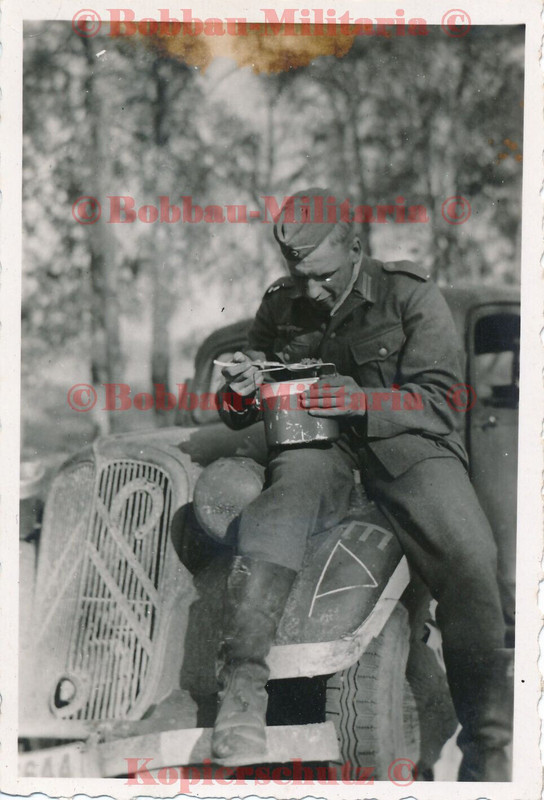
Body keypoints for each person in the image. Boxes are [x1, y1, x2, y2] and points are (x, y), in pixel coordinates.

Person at [212, 188, 513, 781]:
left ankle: (489, 749)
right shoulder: (281, 304)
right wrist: (240, 391)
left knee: (473, 561)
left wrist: (360, 398)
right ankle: (241, 696)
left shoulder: (409, 294)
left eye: (323, 278)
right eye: (300, 281)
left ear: (354, 246)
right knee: (273, 512)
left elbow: (444, 402)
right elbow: (252, 395)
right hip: (317, 448)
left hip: (407, 451)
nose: (312, 293)